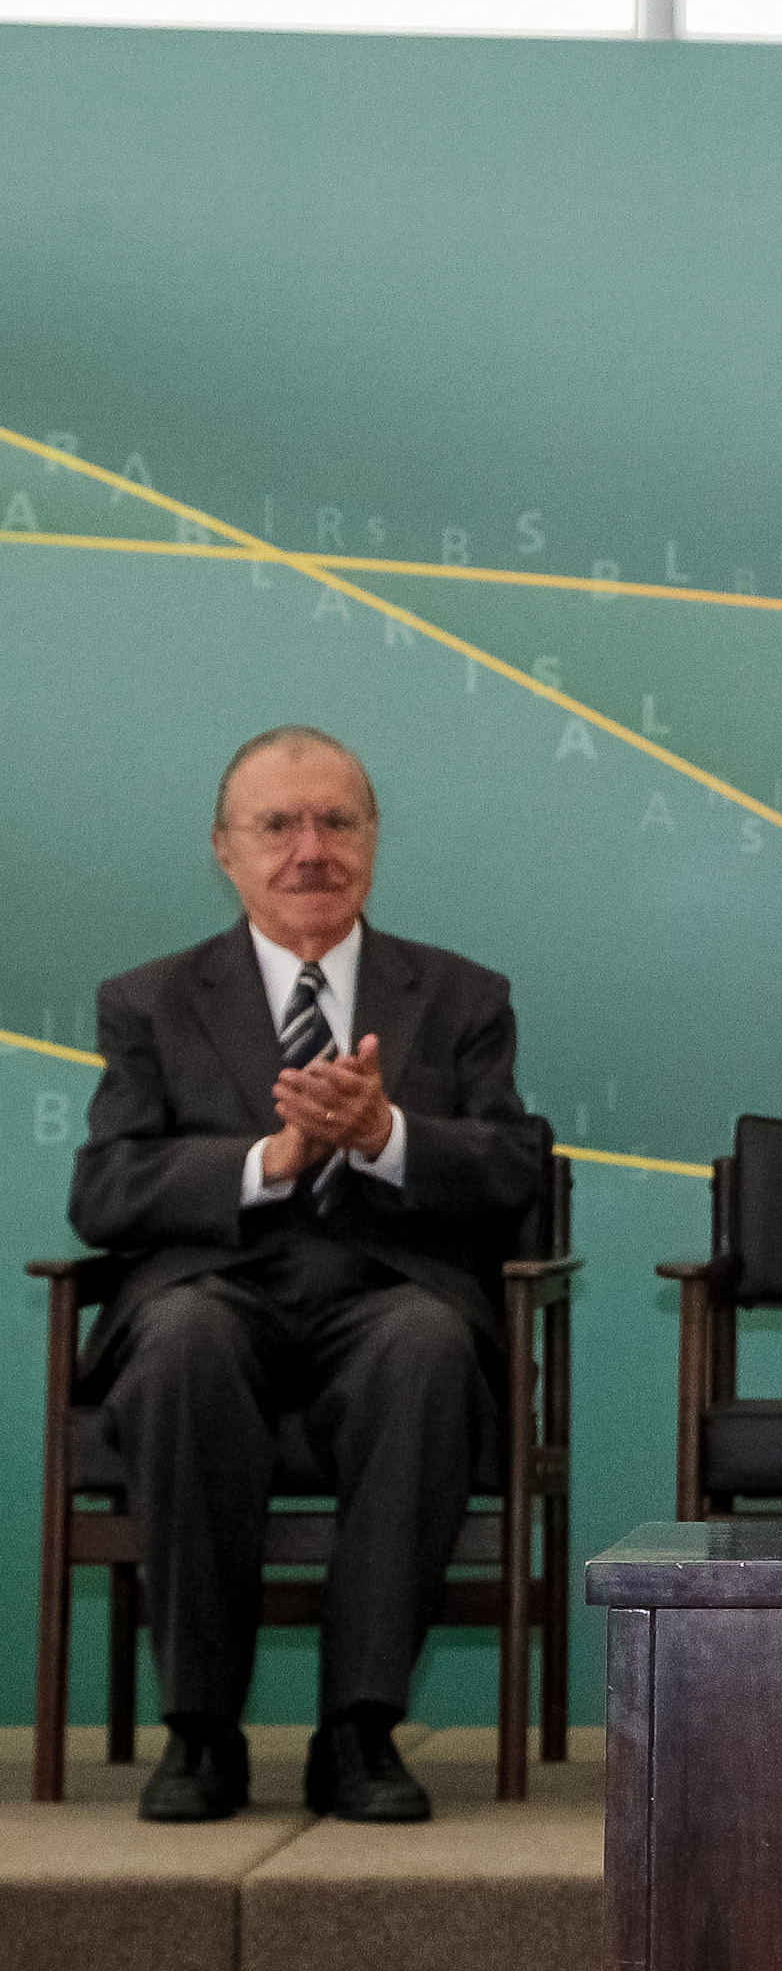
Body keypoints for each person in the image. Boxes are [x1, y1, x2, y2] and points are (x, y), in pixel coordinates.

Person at [71, 727, 551, 1823]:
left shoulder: (461, 995)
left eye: (335, 821)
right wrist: (265, 1161)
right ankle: (199, 1734)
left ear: (372, 841)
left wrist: (385, 1134)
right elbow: (105, 1188)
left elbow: (512, 1168)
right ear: (225, 851)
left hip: (391, 1293)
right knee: (183, 1345)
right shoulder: (149, 999)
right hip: (214, 1290)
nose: (309, 848)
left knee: (425, 1348)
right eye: (276, 825)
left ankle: (360, 1734)